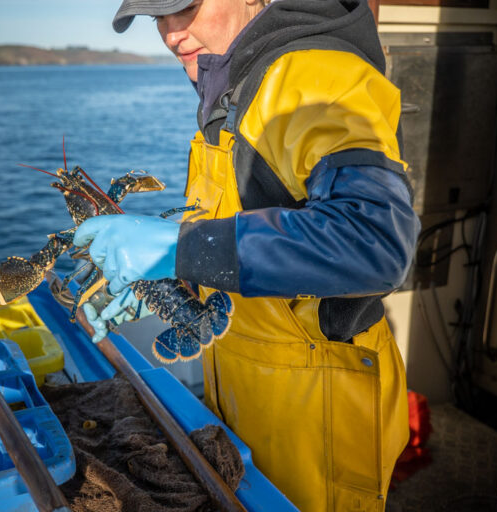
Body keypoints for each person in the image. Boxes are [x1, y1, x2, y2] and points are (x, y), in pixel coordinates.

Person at [73, 0, 420, 510]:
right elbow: (257, 219)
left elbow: (374, 242)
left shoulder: (315, 76)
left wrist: (182, 246)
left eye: (184, 8)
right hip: (243, 397)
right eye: (157, 18)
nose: (171, 34)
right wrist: (177, 278)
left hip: (317, 415)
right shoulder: (233, 88)